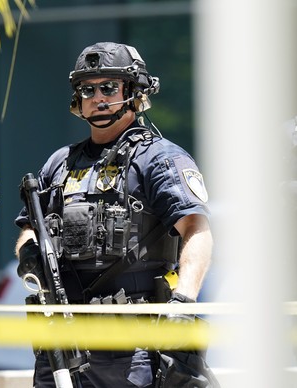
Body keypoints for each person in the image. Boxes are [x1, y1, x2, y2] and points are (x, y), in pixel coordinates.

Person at [15, 42, 214, 387]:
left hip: (133, 342)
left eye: (108, 87)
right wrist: (28, 252)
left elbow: (196, 229)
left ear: (133, 90)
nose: (97, 97)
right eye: (87, 89)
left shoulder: (159, 158)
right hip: (62, 338)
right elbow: (30, 229)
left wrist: (183, 301)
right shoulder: (59, 163)